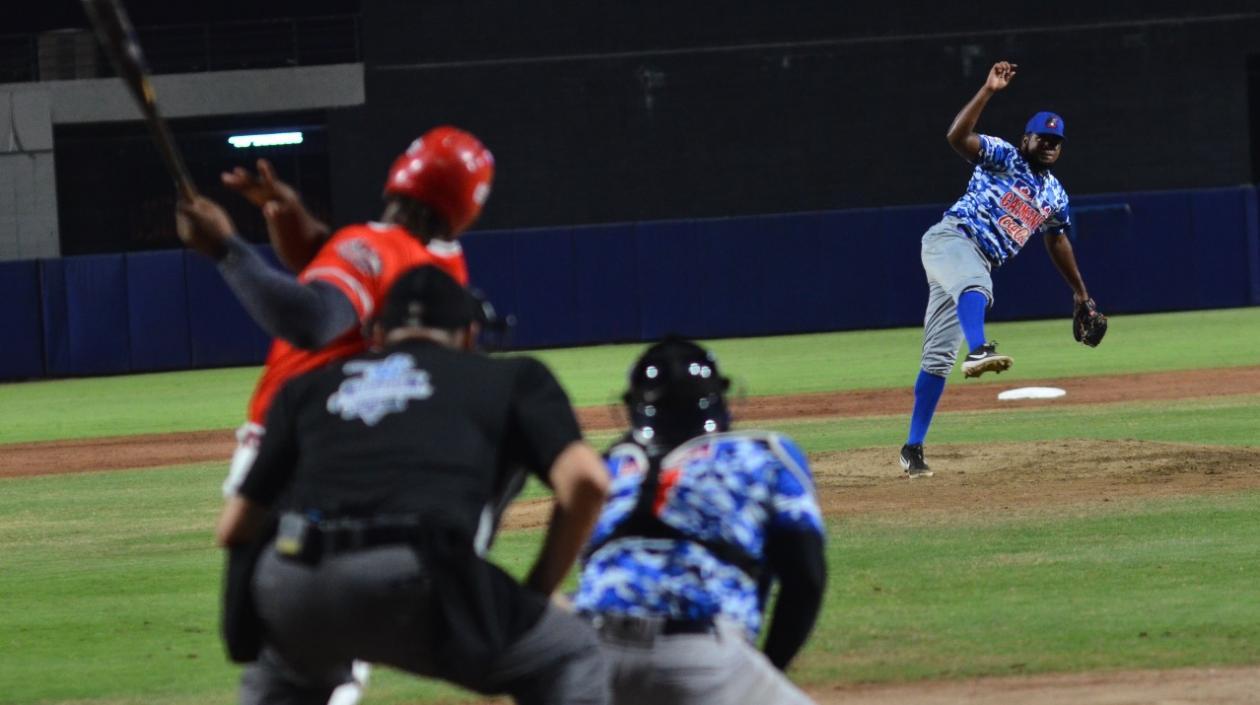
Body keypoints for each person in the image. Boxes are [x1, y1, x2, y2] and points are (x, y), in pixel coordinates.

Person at [176, 126, 493, 703]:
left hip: (292, 457)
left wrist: (227, 248)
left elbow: (311, 318)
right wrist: (290, 213)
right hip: (373, 463)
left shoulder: (373, 245)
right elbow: (340, 264)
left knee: (285, 643)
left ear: (399, 171)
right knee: (333, 646)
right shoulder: (445, 265)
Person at [216, 265, 612, 705]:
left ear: (378, 334)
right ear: (468, 335)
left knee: (288, 677)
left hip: (296, 576)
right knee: (570, 653)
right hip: (416, 574)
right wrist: (536, 592)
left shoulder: (307, 388)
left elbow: (234, 528)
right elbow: (588, 482)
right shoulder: (512, 377)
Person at [573, 338, 826, 705]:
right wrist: (764, 667)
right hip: (696, 653)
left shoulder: (608, 467)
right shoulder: (761, 452)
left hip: (587, 655)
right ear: (719, 400)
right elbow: (806, 577)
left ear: (633, 408)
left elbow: (592, 568)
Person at [900, 61, 1101, 478]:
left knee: (937, 360)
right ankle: (979, 348)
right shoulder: (1004, 157)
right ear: (1026, 138)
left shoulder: (1055, 194)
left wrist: (1080, 293)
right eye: (1042, 137)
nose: (1048, 144)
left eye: (1056, 141)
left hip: (971, 262)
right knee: (977, 282)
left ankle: (911, 449)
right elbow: (957, 137)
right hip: (952, 240)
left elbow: (1056, 238)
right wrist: (988, 91)